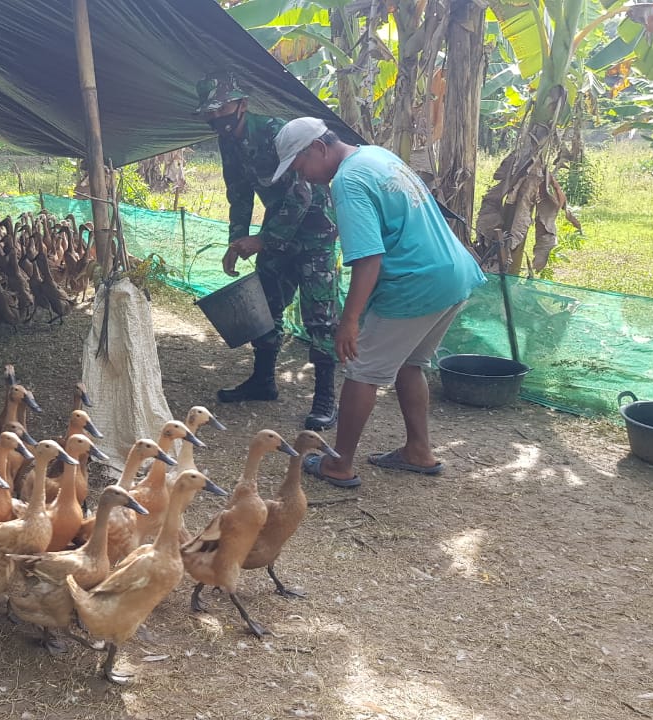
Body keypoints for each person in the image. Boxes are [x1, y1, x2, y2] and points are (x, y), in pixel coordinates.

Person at [269, 117, 485, 488]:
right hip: (454, 274)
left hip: (416, 282)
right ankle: (419, 451)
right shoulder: (376, 156)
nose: (300, 176)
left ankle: (338, 464)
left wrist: (349, 320)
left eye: (300, 165)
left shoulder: (348, 181)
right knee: (410, 364)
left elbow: (369, 258)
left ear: (318, 148)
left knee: (361, 371)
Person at [194, 71, 341, 431]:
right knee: (265, 305)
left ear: (242, 105)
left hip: (315, 232)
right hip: (277, 235)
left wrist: (262, 240)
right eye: (210, 113)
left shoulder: (277, 133)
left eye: (222, 109)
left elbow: (302, 194)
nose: (217, 118)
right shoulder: (228, 142)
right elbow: (238, 194)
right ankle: (263, 381)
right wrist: (237, 240)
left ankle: (325, 398)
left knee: (320, 316)